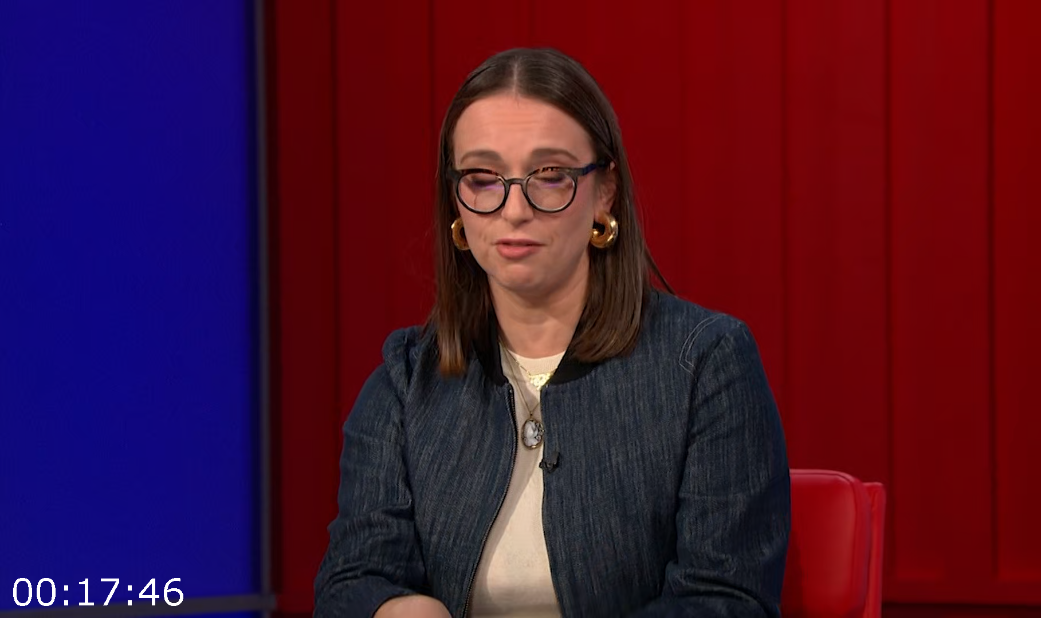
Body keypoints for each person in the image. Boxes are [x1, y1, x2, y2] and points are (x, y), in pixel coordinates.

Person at [314, 47, 790, 618]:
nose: (514, 209)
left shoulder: (705, 364)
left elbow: (726, 600)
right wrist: (397, 610)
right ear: (456, 202)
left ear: (604, 192)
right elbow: (352, 581)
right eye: (483, 178)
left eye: (549, 176)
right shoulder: (406, 380)